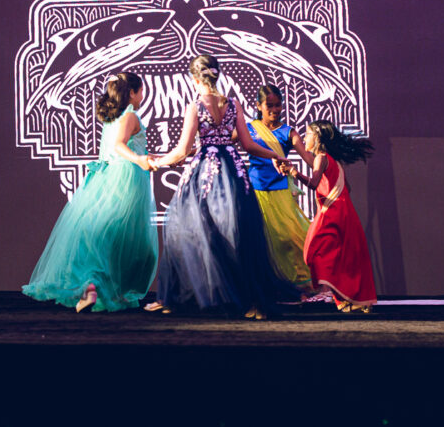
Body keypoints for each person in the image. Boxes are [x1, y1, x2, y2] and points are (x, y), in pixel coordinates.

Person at [146, 55, 296, 319]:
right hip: (232, 170)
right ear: (217, 76)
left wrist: (156, 162)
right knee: (239, 232)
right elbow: (248, 146)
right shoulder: (232, 104)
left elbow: (182, 150)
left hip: (204, 172)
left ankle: (182, 298)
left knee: (191, 230)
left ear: (194, 79)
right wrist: (276, 155)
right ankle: (251, 303)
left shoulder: (195, 106)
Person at [22, 72, 158, 313]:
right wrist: (139, 159)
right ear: (132, 93)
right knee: (118, 233)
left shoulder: (112, 117)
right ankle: (94, 284)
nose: (143, 96)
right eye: (141, 91)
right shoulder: (130, 116)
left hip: (108, 176)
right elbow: (119, 145)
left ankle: (101, 287)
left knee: (107, 231)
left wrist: (145, 158)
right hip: (124, 177)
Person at [276, 120, 377, 313]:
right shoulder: (333, 160)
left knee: (314, 251)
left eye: (308, 134)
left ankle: (327, 292)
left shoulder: (321, 158)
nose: (304, 138)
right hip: (343, 210)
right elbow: (347, 187)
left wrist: (294, 172)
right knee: (337, 255)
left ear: (318, 138)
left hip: (331, 212)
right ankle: (343, 298)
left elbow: (313, 184)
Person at [246, 85, 314, 292]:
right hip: (255, 191)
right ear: (258, 106)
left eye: (278, 105)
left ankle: (302, 282)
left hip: (281, 190)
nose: (275, 110)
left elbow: (308, 157)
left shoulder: (288, 132)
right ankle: (265, 286)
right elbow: (222, 142)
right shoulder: (248, 129)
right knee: (260, 240)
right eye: (270, 106)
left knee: (291, 238)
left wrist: (327, 167)